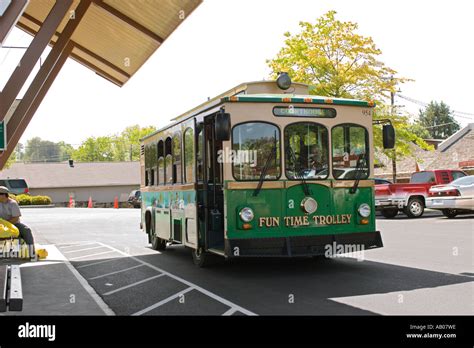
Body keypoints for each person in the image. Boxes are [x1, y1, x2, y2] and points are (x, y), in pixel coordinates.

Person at [0, 186, 35, 252]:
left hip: (13, 224)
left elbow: (16, 218)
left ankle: (32, 252)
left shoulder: (12, 204)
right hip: (1, 225)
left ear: (4, 195)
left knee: (26, 230)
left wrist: (6, 224)